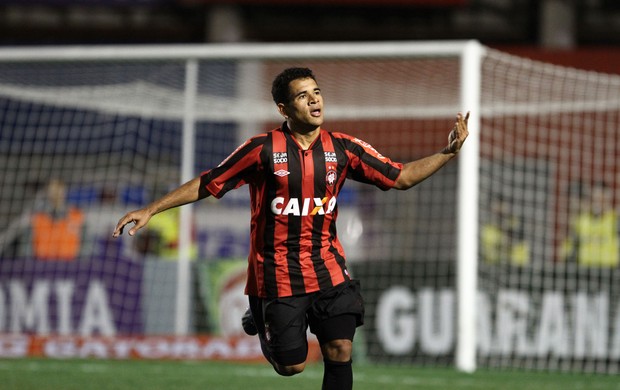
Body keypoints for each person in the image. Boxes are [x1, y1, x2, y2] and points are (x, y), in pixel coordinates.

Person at [112, 67, 469, 389]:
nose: (314, 100)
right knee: (292, 366)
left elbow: (401, 177)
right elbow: (209, 182)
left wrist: (448, 152)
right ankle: (260, 311)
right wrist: (151, 209)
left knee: (341, 347)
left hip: (328, 267)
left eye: (317, 92)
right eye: (303, 95)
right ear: (284, 109)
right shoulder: (261, 149)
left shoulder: (343, 148)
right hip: (278, 273)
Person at [561, 180, 619, 267]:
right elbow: (571, 248)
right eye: (596, 198)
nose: (599, 202)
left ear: (608, 199)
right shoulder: (581, 221)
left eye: (602, 198)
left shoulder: (615, 220)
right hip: (585, 271)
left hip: (610, 270)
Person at [31, 178, 85, 261]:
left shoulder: (77, 215)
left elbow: (85, 246)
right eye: (52, 189)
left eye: (59, 188)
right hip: (42, 265)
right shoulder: (38, 217)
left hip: (70, 265)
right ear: (47, 192)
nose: (56, 193)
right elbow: (29, 247)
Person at [480, 195, 530, 266]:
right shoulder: (487, 229)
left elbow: (518, 241)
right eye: (497, 211)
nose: (500, 211)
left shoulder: (516, 223)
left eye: (503, 208)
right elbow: (488, 253)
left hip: (517, 266)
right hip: (494, 266)